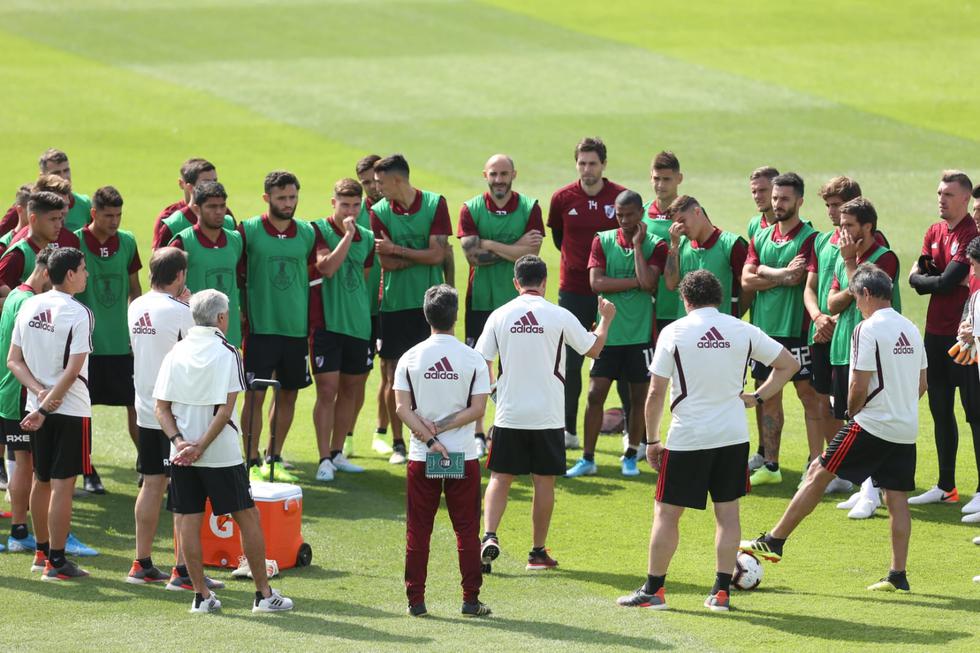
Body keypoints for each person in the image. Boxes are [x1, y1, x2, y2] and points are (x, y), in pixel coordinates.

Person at [617, 269, 798, 611]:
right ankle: (720, 593)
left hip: (688, 437)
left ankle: (654, 591)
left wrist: (652, 441)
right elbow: (787, 365)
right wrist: (757, 397)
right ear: (718, 297)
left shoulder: (675, 332)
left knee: (667, 514)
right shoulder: (742, 329)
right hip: (732, 436)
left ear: (685, 299)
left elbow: (655, 392)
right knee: (728, 515)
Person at [742, 265, 927, 593]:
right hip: (904, 428)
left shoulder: (867, 330)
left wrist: (850, 411)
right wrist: (900, 405)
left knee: (818, 471)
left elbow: (858, 382)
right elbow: (922, 382)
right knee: (896, 499)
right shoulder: (911, 328)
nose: (856, 305)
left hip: (872, 423)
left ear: (867, 294)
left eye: (857, 298)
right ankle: (898, 574)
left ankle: (774, 541)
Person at [154, 289, 293, 614]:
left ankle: (201, 596)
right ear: (220, 318)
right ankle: (262, 595)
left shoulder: (175, 352)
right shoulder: (227, 351)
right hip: (220, 453)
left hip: (182, 454)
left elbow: (161, 407)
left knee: (187, 520)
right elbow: (226, 409)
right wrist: (201, 445)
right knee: (248, 516)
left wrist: (180, 443)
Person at [476, 255, 614, 571]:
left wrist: (496, 390)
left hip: (509, 413)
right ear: (544, 282)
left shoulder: (499, 316)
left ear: (516, 282)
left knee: (500, 477)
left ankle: (489, 536)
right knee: (544, 482)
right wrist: (605, 319)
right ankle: (537, 553)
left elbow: (481, 360)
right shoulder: (558, 315)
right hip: (548, 415)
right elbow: (594, 349)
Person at [393, 284, 491, 617]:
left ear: (426, 315)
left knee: (418, 530)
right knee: (466, 530)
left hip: (423, 457)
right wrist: (445, 429)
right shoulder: (473, 358)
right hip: (462, 456)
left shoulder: (410, 357)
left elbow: (402, 409)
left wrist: (430, 437)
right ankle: (470, 600)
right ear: (456, 315)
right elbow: (478, 409)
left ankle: (416, 602)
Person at [566, 190, 665, 478]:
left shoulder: (654, 245)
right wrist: (636, 282)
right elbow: (596, 283)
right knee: (595, 394)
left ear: (640, 214)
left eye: (630, 214)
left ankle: (632, 454)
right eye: (619, 215)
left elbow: (650, 283)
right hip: (607, 335)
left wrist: (637, 248)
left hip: (640, 335)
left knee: (637, 398)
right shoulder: (602, 239)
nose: (623, 220)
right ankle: (587, 458)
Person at [8, 247, 93, 580]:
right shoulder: (79, 313)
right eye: (84, 269)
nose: (87, 274)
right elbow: (73, 372)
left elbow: (13, 360)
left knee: (41, 480)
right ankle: (56, 562)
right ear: (70, 274)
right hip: (69, 409)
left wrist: (38, 393)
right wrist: (46, 405)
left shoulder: (29, 304)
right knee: (62, 485)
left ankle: (41, 553)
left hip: (35, 406)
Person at [458, 154, 544, 456]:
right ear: (485, 175)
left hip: (519, 304)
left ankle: (506, 428)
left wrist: (490, 243)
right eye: (493, 174)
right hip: (480, 300)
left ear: (514, 174)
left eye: (504, 173)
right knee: (479, 367)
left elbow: (531, 253)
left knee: (516, 367)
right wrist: (515, 246)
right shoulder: (470, 208)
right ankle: (479, 432)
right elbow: (472, 256)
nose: (499, 179)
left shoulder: (530, 207)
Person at [370, 154, 452, 464]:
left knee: (434, 375)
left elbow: (437, 255)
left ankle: (435, 438)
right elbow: (386, 262)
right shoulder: (378, 212)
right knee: (394, 377)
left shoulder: (434, 203)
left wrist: (398, 250)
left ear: (397, 180)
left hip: (429, 305)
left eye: (380, 182)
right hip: (394, 305)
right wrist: (411, 256)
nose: (376, 189)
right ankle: (398, 443)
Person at [547, 137, 627, 449]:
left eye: (592, 163)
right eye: (582, 163)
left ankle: (629, 434)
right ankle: (569, 431)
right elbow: (558, 237)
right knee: (570, 363)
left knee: (620, 359)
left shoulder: (619, 197)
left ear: (603, 165)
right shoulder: (562, 198)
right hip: (573, 290)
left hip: (610, 291)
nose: (587, 169)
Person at [740, 172, 820, 486]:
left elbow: (798, 278)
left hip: (795, 328)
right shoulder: (760, 236)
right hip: (763, 330)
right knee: (768, 396)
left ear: (800, 200)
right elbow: (747, 279)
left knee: (808, 395)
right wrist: (779, 274)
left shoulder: (809, 238)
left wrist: (765, 272)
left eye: (784, 198)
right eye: (775, 198)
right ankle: (771, 465)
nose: (778, 204)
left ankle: (815, 462)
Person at [126, 248, 199, 587]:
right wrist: (191, 305)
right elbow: (201, 351)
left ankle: (141, 563)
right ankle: (182, 571)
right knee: (185, 493)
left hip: (145, 409)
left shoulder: (136, 305)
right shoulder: (182, 312)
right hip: (177, 415)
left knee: (152, 483)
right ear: (180, 275)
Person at [907, 170, 980, 505]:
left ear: (965, 198)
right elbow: (921, 280)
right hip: (934, 334)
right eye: (939, 193)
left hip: (965, 338)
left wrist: (930, 279)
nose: (941, 199)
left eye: (948, 194)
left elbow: (945, 281)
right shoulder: (933, 231)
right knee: (939, 408)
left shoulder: (971, 235)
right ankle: (945, 486)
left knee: (974, 412)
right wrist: (931, 279)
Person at [238, 171, 316, 482]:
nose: (288, 203)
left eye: (292, 197)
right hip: (261, 329)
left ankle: (275, 456)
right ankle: (251, 459)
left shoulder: (307, 233)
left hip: (295, 330)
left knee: (289, 395)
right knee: (255, 395)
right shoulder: (249, 231)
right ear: (267, 197)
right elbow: (238, 274)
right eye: (282, 197)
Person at [825, 198, 901, 519]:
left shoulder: (884, 258)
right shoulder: (848, 258)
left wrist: (849, 266)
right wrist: (849, 272)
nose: (843, 232)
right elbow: (832, 302)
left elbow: (859, 295)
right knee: (850, 415)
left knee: (868, 417)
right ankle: (866, 488)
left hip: (874, 350)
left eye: (849, 226)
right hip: (844, 345)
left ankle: (872, 493)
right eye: (841, 226)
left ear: (867, 227)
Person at [74, 186, 143, 494]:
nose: (114, 221)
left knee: (136, 404)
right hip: (85, 346)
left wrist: (134, 329)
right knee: (81, 410)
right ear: (93, 214)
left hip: (120, 345)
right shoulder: (74, 241)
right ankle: (87, 469)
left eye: (118, 215)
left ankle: (147, 462)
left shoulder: (127, 242)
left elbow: (135, 290)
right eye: (107, 215)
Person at [802, 176, 863, 495]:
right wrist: (817, 316)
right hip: (821, 330)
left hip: (848, 333)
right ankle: (837, 469)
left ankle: (862, 475)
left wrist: (833, 319)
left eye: (836, 205)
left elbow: (864, 288)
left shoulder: (867, 241)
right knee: (822, 400)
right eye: (827, 205)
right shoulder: (822, 242)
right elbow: (810, 287)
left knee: (855, 406)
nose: (831, 212)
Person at [310, 179, 374, 481]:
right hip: (327, 324)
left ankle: (337, 452)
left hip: (358, 325)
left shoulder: (370, 238)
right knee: (327, 391)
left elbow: (362, 278)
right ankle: (323, 458)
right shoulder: (319, 231)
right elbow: (328, 267)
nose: (350, 210)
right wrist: (348, 235)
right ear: (333, 202)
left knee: (351, 390)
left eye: (355, 205)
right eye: (345, 204)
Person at [0, 248, 52, 553]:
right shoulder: (30, 302)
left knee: (23, 461)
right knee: (28, 463)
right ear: (47, 272)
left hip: (11, 390)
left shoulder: (16, 295)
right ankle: (26, 532)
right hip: (22, 392)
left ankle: (21, 531)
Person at [170, 181, 244, 348]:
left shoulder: (236, 240)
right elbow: (170, 291)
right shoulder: (183, 243)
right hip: (195, 337)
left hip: (229, 336)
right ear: (197, 209)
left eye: (222, 206)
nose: (218, 212)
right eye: (211, 207)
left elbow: (239, 281)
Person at [662, 195, 749, 318]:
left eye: (682, 221)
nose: (681, 229)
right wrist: (674, 246)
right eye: (676, 225)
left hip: (721, 331)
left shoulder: (732, 244)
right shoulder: (679, 246)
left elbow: (748, 289)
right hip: (689, 329)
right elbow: (671, 284)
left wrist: (734, 316)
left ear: (697, 211)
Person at [0, 178, 80, 307]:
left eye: (60, 219)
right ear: (33, 218)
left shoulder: (47, 252)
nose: (59, 225)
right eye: (53, 219)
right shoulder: (18, 256)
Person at [354, 154, 387, 458]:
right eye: (364, 183)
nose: (370, 188)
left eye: (374, 181)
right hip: (362, 308)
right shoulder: (357, 212)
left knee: (392, 374)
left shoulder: (394, 209)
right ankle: (348, 438)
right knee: (357, 376)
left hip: (390, 303)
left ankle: (382, 432)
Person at [642, 151, 684, 335]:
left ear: (679, 178)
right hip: (646, 308)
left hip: (680, 306)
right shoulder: (640, 214)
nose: (660, 185)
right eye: (656, 178)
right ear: (650, 177)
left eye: (667, 179)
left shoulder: (691, 213)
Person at [153, 158, 229, 241]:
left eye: (215, 181)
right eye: (206, 182)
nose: (212, 186)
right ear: (186, 185)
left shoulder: (223, 213)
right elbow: (159, 253)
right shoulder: (169, 219)